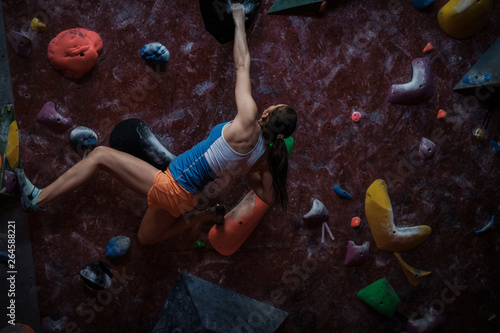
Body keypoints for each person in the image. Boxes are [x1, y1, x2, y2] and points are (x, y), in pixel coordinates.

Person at [15, 4, 297, 245]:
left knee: (101, 156)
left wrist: (238, 20)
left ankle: (36, 198)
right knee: (145, 239)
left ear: (265, 116)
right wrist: (267, 168)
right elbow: (268, 197)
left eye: (272, 107)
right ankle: (203, 215)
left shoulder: (248, 119)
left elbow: (242, 64)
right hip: (187, 198)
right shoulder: (264, 160)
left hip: (173, 185)